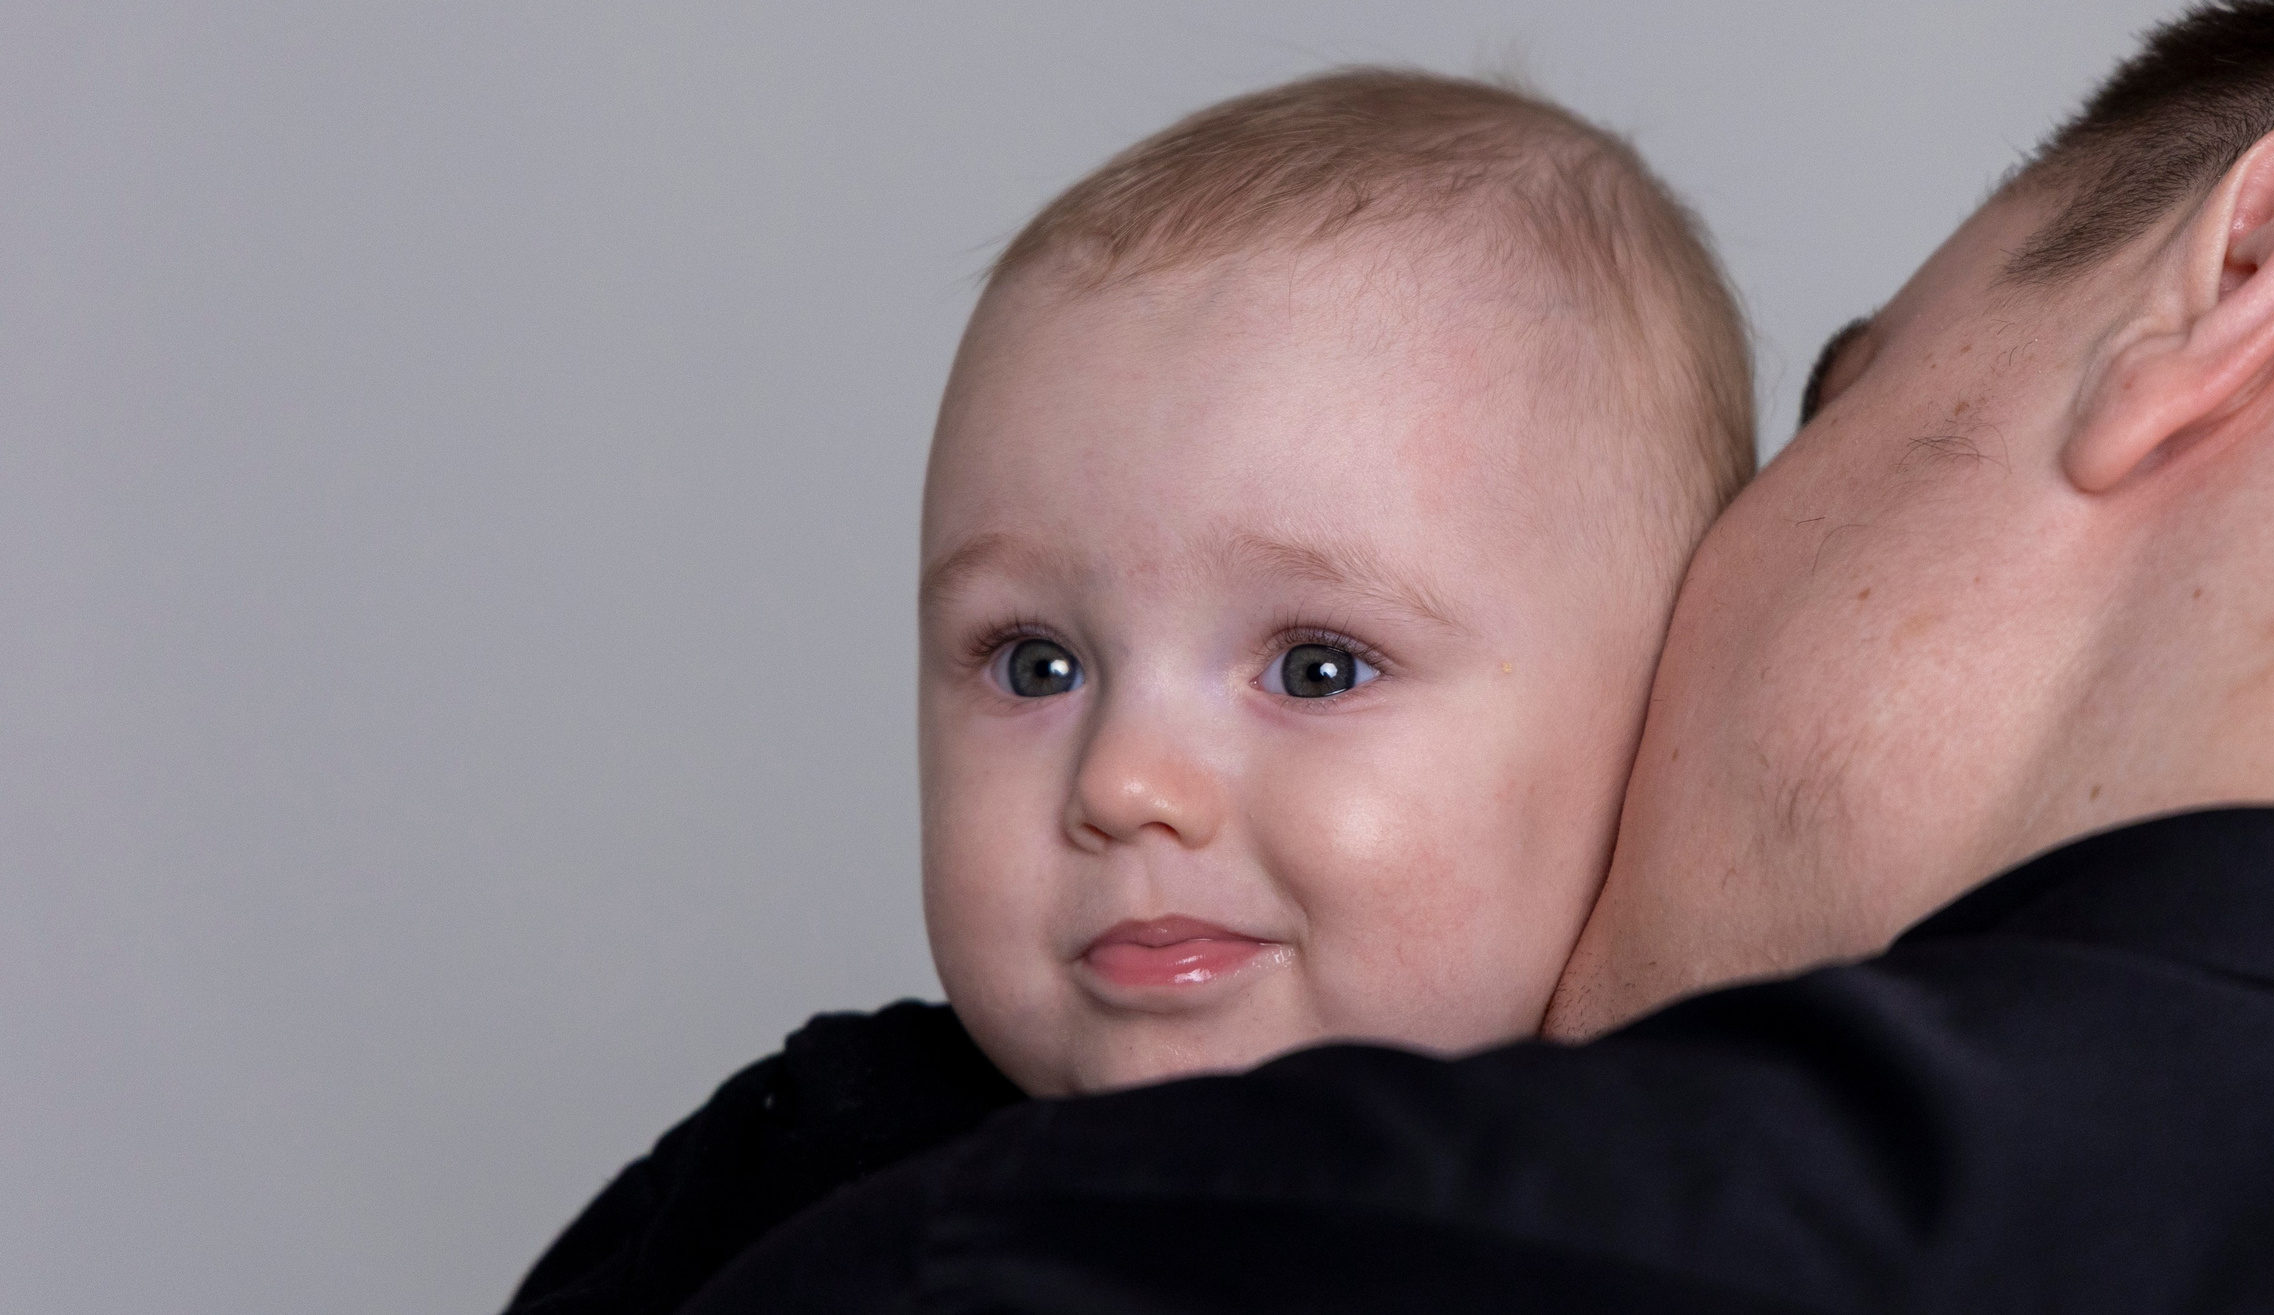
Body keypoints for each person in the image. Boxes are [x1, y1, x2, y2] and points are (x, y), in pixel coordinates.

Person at [667, 0, 2274, 1312]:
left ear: (2232, 287)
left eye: (1844, 396)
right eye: (1034, 662)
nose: (1711, 570)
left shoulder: (1087, 1256)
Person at [508, 70, 1756, 1310]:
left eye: (1316, 669)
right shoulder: (794, 1160)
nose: (1121, 781)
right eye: (1035, 664)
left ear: (1658, 717)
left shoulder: (1681, 1218)